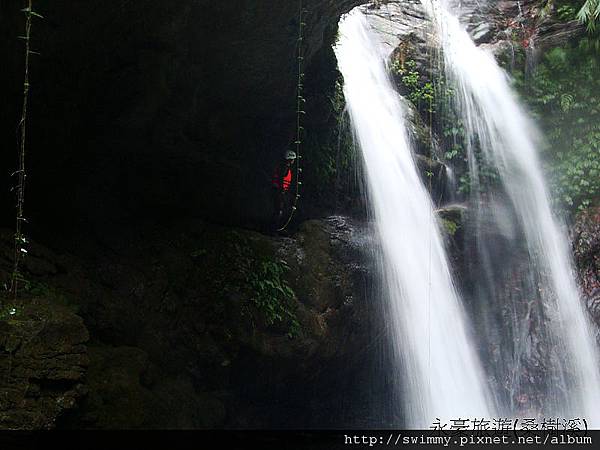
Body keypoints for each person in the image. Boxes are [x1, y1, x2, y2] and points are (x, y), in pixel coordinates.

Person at [271, 150, 297, 229]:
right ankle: (275, 228)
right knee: (279, 210)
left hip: (277, 190)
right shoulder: (284, 167)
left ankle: (275, 228)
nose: (293, 161)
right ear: (290, 159)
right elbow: (280, 179)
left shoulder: (282, 166)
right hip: (279, 191)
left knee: (279, 209)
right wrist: (282, 190)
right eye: (293, 159)